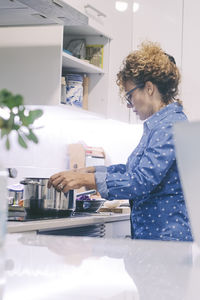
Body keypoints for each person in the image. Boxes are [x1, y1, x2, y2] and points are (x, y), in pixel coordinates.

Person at [48, 41, 193, 241]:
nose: (128, 104)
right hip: (157, 237)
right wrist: (95, 171)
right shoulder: (161, 125)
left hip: (166, 240)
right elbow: (136, 171)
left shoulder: (169, 126)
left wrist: (86, 180)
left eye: (130, 95)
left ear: (149, 88)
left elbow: (141, 181)